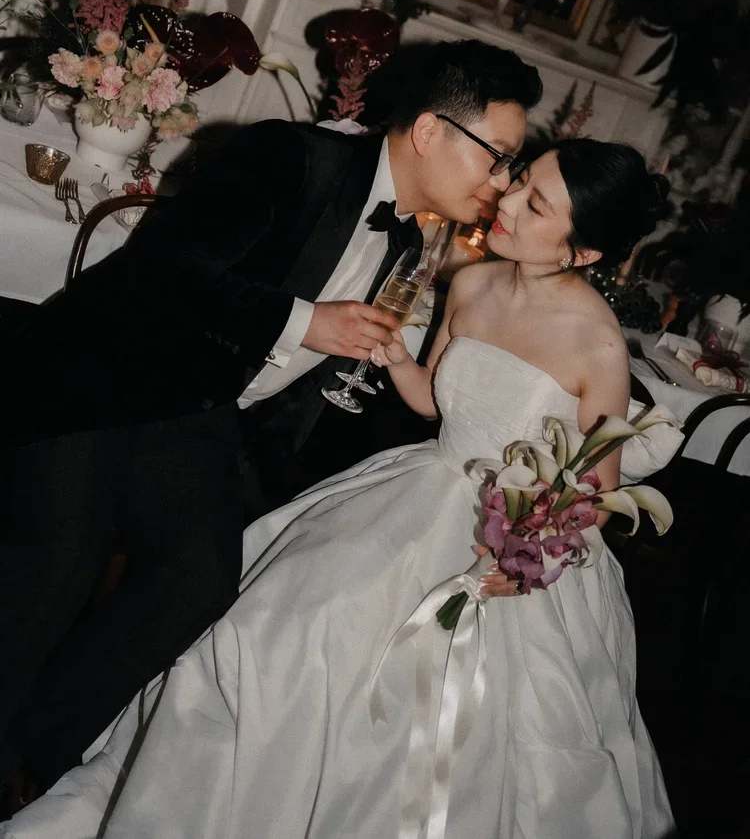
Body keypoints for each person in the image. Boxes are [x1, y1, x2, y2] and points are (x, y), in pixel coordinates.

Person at [3, 139, 680, 839]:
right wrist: (392, 355)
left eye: (535, 204)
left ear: (583, 254)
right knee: (278, 632)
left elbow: (593, 495)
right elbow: (431, 400)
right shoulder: (474, 282)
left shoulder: (598, 345)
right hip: (415, 490)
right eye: (521, 181)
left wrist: (520, 550)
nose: (504, 201)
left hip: (510, 548)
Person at [0, 40, 541, 801]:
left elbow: (312, 386)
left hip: (192, 415)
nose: (502, 182)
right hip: (99, 375)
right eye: (499, 158)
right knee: (57, 560)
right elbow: (166, 272)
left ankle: (42, 748)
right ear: (428, 132)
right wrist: (302, 321)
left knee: (203, 578)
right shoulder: (289, 157)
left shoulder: (413, 240)